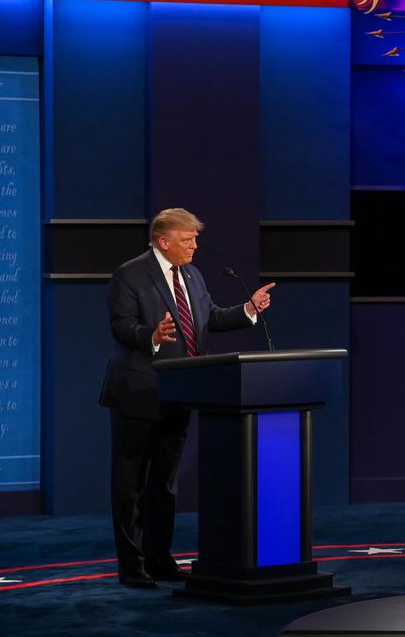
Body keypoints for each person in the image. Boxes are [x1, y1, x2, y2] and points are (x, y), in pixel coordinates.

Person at [99, 208, 275, 589]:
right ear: (164, 241)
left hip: (181, 392)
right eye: (187, 240)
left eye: (195, 239)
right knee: (130, 483)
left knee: (164, 483)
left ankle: (160, 559)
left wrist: (248, 310)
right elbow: (120, 325)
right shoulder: (130, 274)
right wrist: (152, 334)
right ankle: (132, 565)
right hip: (138, 391)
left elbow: (208, 317)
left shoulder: (192, 275)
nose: (195, 246)